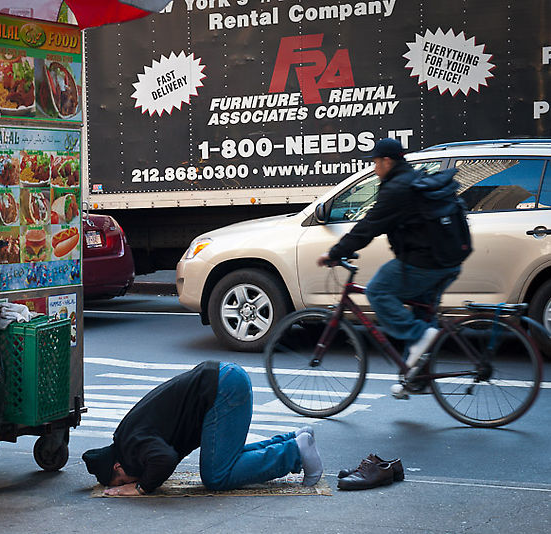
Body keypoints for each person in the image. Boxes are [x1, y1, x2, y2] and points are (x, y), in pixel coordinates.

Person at [317, 137, 462, 368]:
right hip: (448, 259)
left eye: (375, 163)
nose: (374, 170)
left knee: (378, 291)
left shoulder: (398, 189)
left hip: (426, 262)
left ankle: (420, 336)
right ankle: (414, 377)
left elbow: (368, 227)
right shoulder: (411, 179)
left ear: (387, 161)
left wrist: (335, 253)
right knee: (421, 315)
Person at [81, 361, 322, 496]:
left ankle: (295, 452)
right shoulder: (127, 438)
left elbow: (165, 459)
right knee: (226, 460)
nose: (124, 483)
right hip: (225, 380)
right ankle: (296, 440)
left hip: (222, 390)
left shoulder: (133, 444)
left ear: (117, 466)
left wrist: (140, 487)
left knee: (216, 476)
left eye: (120, 480)